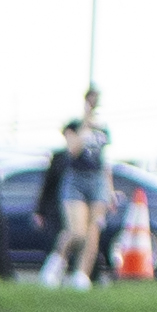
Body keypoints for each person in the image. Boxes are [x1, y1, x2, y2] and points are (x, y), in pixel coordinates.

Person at [44, 94, 111, 287]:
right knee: (77, 231)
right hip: (75, 179)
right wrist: (85, 124)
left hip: (97, 179)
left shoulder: (104, 128)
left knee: (93, 232)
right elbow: (73, 150)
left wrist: (110, 189)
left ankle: (82, 276)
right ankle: (56, 263)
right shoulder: (74, 126)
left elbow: (104, 161)